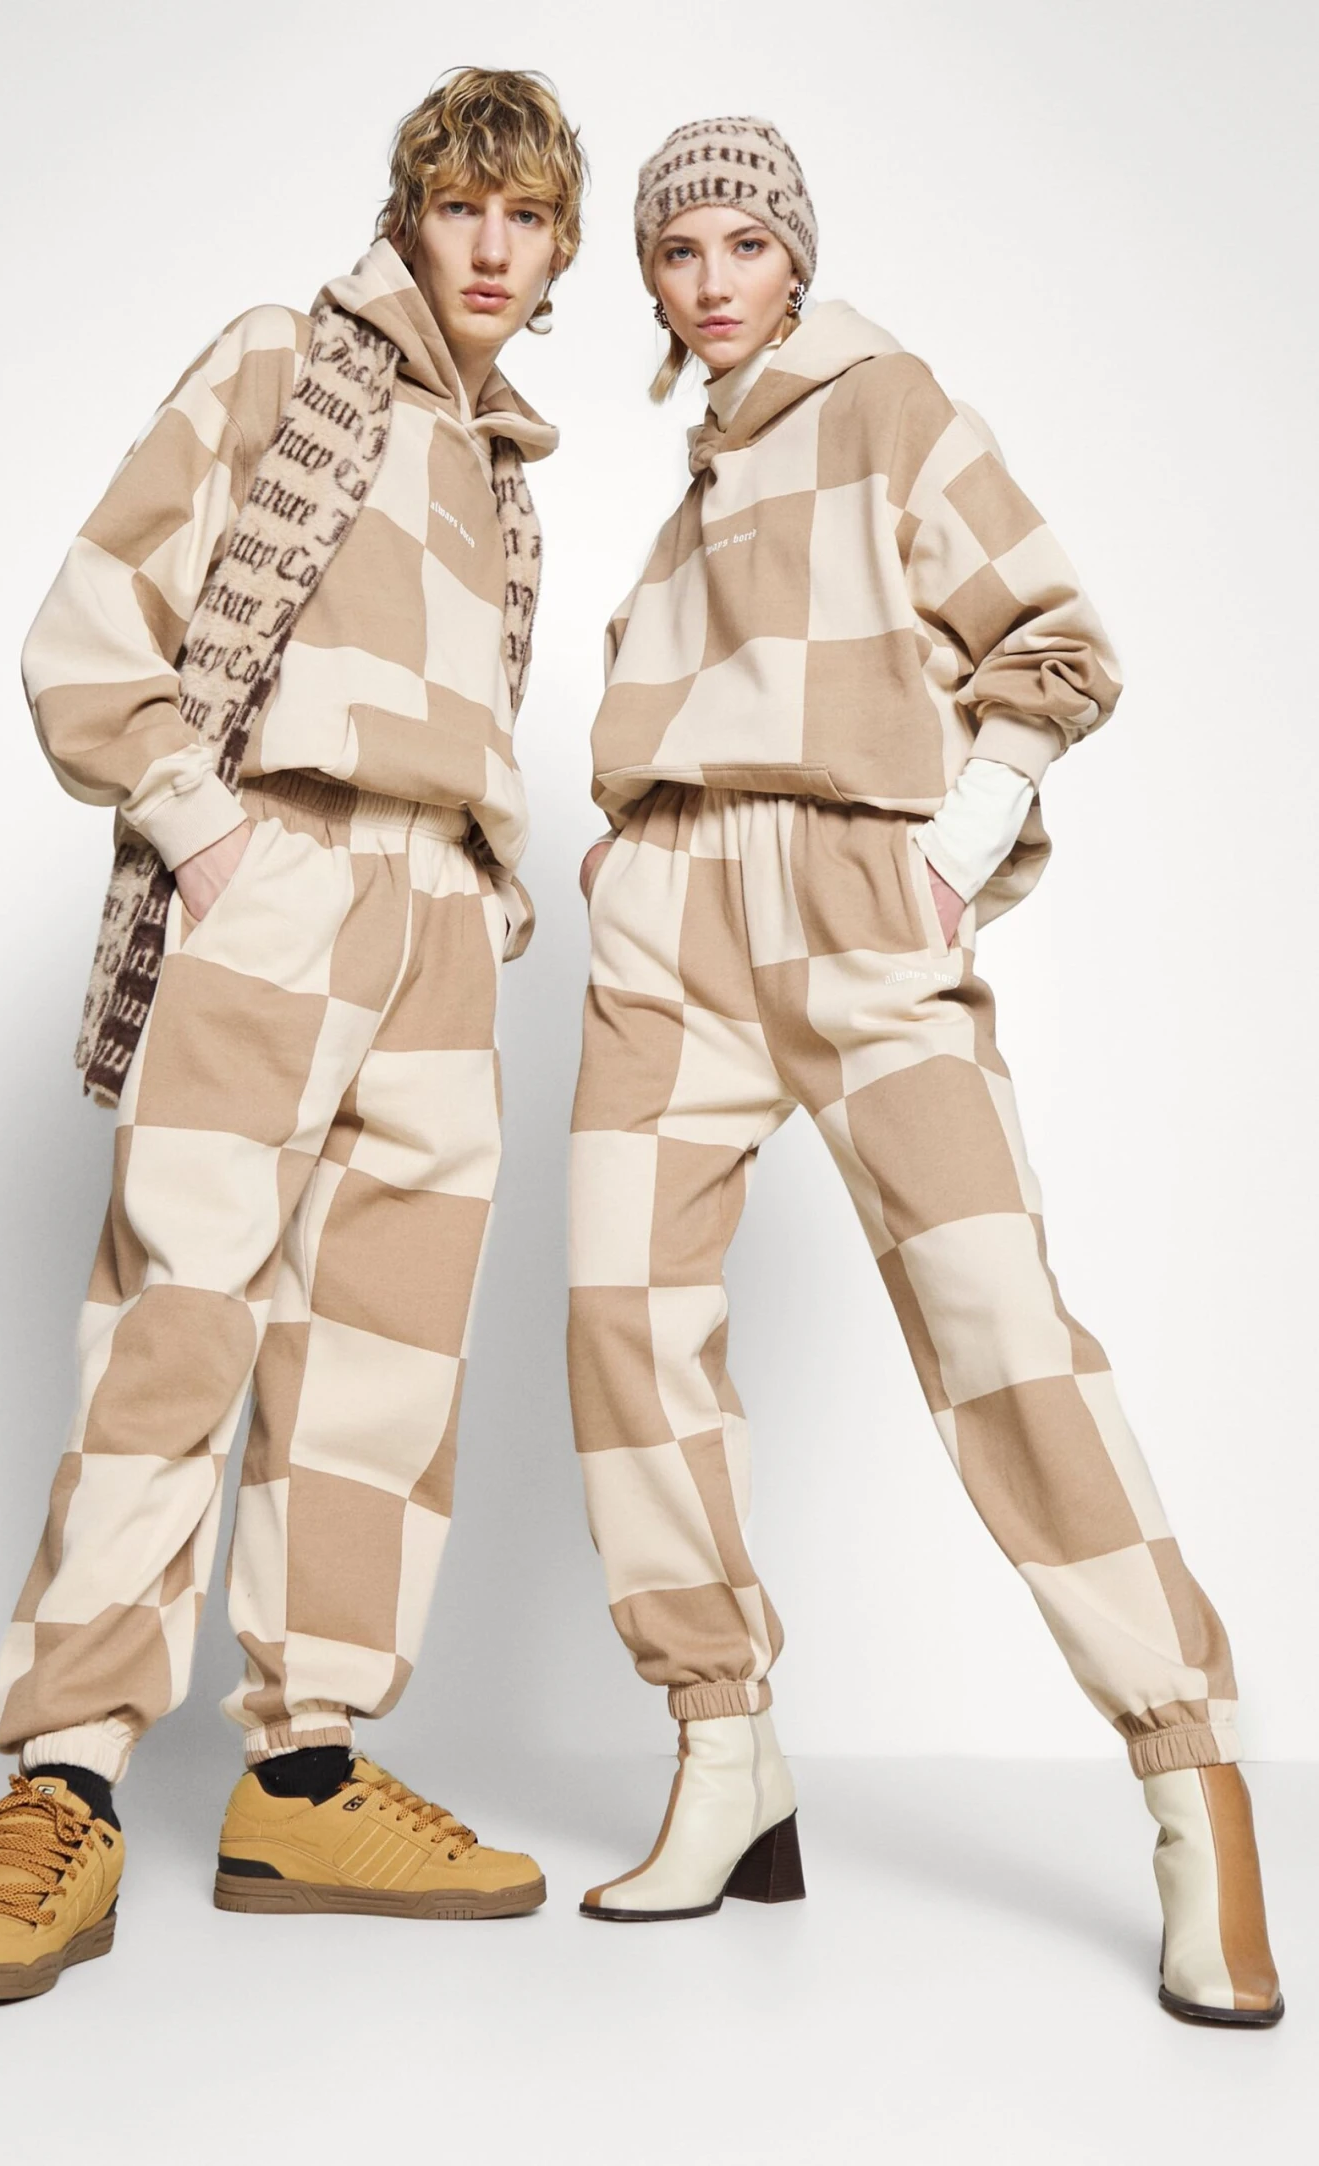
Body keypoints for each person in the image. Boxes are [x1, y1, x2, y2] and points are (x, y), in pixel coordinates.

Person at [567, 115, 1281, 2027]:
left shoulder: (890, 403)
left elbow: (1057, 636)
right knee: (624, 1322)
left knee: (997, 1328)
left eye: (743, 243)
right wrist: (632, 856)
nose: (711, 280)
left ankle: (1192, 1782)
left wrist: (951, 850)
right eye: (678, 250)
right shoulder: (695, 479)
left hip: (855, 905)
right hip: (671, 923)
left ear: (796, 256)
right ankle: (724, 1754)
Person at [0, 67, 586, 2004]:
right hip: (274, 869)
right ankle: (64, 1783)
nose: (489, 246)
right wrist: (208, 837)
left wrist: (477, 899)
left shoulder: (508, 478)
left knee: (382, 1357)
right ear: (409, 213)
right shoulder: (286, 362)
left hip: (443, 920)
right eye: (460, 205)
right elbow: (91, 629)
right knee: (176, 1320)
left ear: (556, 258)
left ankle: (303, 1774)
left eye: (527, 219)